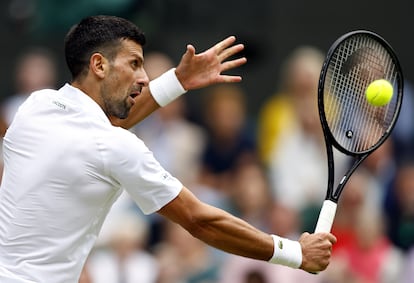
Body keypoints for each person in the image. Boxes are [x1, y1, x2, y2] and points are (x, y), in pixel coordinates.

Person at [0, 15, 336, 283]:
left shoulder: (34, 106)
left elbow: (104, 129)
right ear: (99, 65)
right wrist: (295, 253)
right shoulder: (115, 146)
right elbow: (199, 221)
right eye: (134, 64)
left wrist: (178, 81)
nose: (144, 77)